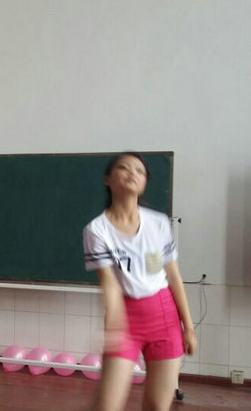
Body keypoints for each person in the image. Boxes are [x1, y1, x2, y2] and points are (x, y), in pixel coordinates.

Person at [83, 152, 197, 411]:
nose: (132, 173)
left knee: (157, 406)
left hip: (164, 316)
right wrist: (113, 326)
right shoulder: (96, 230)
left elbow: (172, 276)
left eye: (140, 171)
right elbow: (110, 284)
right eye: (124, 168)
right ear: (108, 179)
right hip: (125, 319)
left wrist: (188, 327)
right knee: (106, 406)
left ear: (144, 182)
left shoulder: (158, 223)